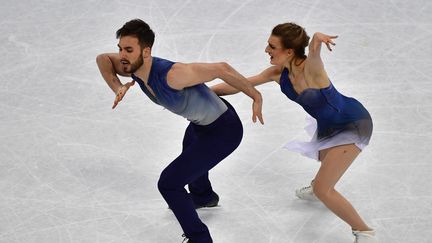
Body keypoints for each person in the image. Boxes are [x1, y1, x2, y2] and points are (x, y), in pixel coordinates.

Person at [96, 19, 263, 243]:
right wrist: (117, 87)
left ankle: (200, 239)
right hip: (200, 125)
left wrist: (255, 95)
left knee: (169, 183)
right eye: (120, 49)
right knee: (190, 153)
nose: (122, 56)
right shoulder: (133, 67)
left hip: (224, 131)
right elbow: (103, 59)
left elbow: (221, 68)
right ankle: (203, 196)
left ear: (146, 52)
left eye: (128, 50)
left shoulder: (173, 74)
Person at [212, 22, 378, 243]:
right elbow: (242, 84)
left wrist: (318, 38)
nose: (266, 50)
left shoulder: (312, 69)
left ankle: (364, 231)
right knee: (324, 160)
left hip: (353, 123)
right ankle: (319, 186)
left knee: (323, 189)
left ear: (289, 51)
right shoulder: (277, 72)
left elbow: (315, 52)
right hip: (329, 124)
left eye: (272, 46)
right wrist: (203, 93)